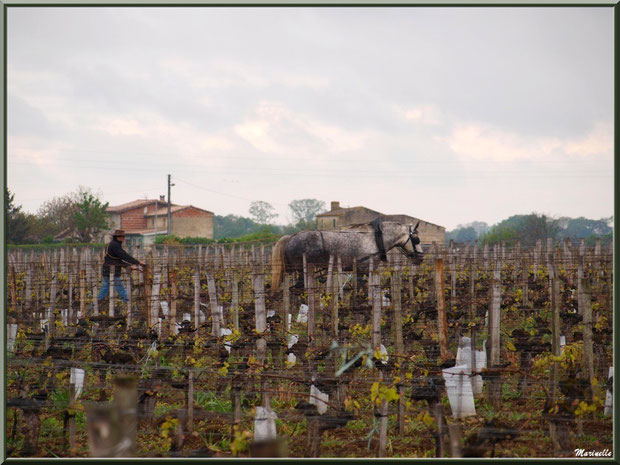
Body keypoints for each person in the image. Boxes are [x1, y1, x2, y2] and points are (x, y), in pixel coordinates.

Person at [97, 229, 145, 304]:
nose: (123, 238)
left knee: (105, 288)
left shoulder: (112, 244)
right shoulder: (115, 245)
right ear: (117, 237)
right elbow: (124, 256)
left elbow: (116, 260)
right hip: (112, 271)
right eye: (122, 237)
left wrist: (128, 265)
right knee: (120, 287)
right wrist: (137, 262)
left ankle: (97, 304)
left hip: (107, 269)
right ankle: (128, 304)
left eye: (123, 236)